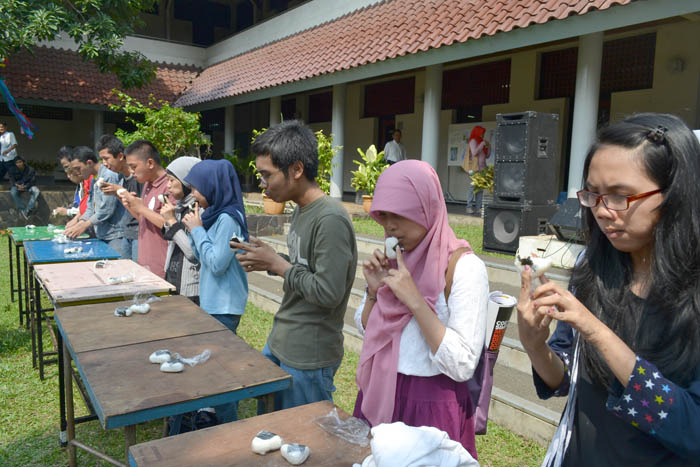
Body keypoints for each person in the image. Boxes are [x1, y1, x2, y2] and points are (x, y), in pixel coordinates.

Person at [517, 113, 700, 465]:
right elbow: (564, 379)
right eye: (593, 195)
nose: (601, 211)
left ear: (675, 195)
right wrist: (535, 345)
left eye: (619, 196)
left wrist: (599, 333)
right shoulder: (594, 269)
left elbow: (692, 430)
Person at [352, 160, 488, 460]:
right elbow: (366, 329)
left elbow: (463, 364)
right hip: (382, 391)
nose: (389, 226)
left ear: (424, 207)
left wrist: (415, 300)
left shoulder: (465, 269)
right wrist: (373, 293)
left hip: (433, 405)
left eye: (398, 214)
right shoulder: (397, 260)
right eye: (382, 215)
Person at [233, 120, 357, 411]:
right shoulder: (302, 211)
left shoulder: (330, 219)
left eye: (267, 175)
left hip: (309, 353)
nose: (262, 185)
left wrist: (278, 264)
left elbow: (328, 292)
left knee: (304, 441)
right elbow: (305, 270)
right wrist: (269, 258)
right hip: (283, 339)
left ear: (296, 170)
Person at [181, 158, 249, 427]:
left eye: (196, 188)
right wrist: (195, 230)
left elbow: (218, 264)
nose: (193, 195)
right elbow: (200, 256)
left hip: (225, 305)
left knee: (220, 371)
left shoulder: (228, 219)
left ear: (213, 186)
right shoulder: (213, 216)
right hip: (214, 302)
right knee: (215, 366)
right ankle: (216, 416)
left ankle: (228, 422)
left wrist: (197, 231)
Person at [118, 140, 169, 278]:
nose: (131, 172)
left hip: (163, 267)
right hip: (145, 263)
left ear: (150, 163)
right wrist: (129, 205)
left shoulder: (169, 185)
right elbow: (144, 219)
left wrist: (141, 207)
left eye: (134, 167)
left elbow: (170, 225)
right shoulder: (147, 183)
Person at [65, 147, 124, 252]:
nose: (77, 173)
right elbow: (90, 207)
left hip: (115, 235)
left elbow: (106, 210)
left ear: (89, 163)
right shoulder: (93, 179)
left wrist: (84, 225)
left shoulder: (108, 176)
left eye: (78, 168)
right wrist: (79, 223)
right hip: (102, 233)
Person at [161, 156, 202, 304]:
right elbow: (172, 240)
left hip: (190, 286)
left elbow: (193, 252)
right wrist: (169, 220)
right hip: (173, 277)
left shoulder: (199, 210)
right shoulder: (180, 206)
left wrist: (172, 221)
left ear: (186, 182)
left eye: (172, 180)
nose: (168, 186)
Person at [96, 135, 142, 262]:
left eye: (106, 158)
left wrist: (119, 191)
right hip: (127, 233)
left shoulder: (139, 178)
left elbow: (142, 211)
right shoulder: (120, 178)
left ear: (121, 156)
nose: (104, 164)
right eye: (102, 159)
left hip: (139, 235)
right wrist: (117, 193)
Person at [464, 125, 490, 216]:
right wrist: (482, 144)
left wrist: (488, 147)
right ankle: (469, 207)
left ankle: (478, 207)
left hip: (482, 169)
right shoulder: (473, 141)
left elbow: (487, 156)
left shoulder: (480, 142)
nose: (483, 135)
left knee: (480, 189)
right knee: (472, 188)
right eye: (482, 133)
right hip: (474, 169)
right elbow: (474, 152)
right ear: (478, 132)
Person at [53, 146, 83, 218]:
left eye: (67, 167)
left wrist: (68, 212)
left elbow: (89, 211)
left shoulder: (91, 182)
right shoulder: (80, 185)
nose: (68, 175)